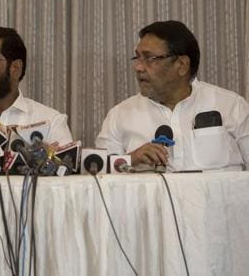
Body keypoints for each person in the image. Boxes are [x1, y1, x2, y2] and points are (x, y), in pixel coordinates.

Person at [95, 20, 249, 171]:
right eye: (138, 58)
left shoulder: (232, 106)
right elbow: (97, 174)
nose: (138, 67)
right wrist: (131, 159)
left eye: (150, 58)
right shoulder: (120, 115)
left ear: (182, 65)